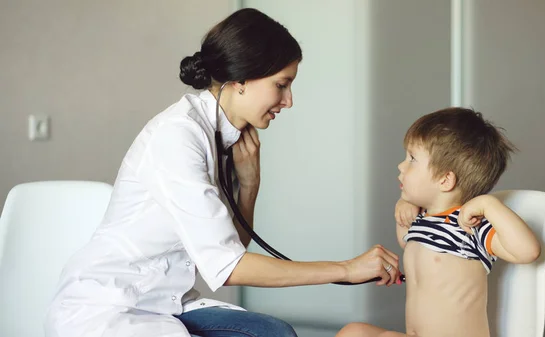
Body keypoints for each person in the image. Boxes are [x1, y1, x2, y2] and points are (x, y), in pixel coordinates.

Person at [44, 8, 401, 337]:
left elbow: (229, 249)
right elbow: (229, 268)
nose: (289, 100)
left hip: (165, 302)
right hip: (112, 306)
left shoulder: (222, 135)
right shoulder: (178, 136)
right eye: (281, 84)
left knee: (273, 333)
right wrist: (346, 269)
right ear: (241, 79)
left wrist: (250, 185)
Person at [335, 108, 541, 337]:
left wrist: (489, 205)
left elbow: (528, 251)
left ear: (445, 179)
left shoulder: (469, 224)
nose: (401, 166)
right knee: (354, 332)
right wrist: (404, 209)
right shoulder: (423, 220)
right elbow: (409, 245)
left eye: (412, 159)